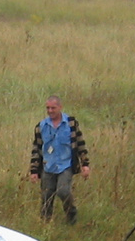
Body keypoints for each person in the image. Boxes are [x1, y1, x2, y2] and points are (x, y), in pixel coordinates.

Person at [29, 95, 90, 223]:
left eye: (53, 108)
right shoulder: (41, 126)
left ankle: (71, 216)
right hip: (48, 166)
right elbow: (37, 148)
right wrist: (34, 170)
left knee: (63, 192)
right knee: (46, 196)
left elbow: (80, 143)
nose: (50, 111)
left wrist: (85, 164)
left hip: (65, 165)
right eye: (48, 108)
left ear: (60, 107)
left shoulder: (71, 123)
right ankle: (45, 223)